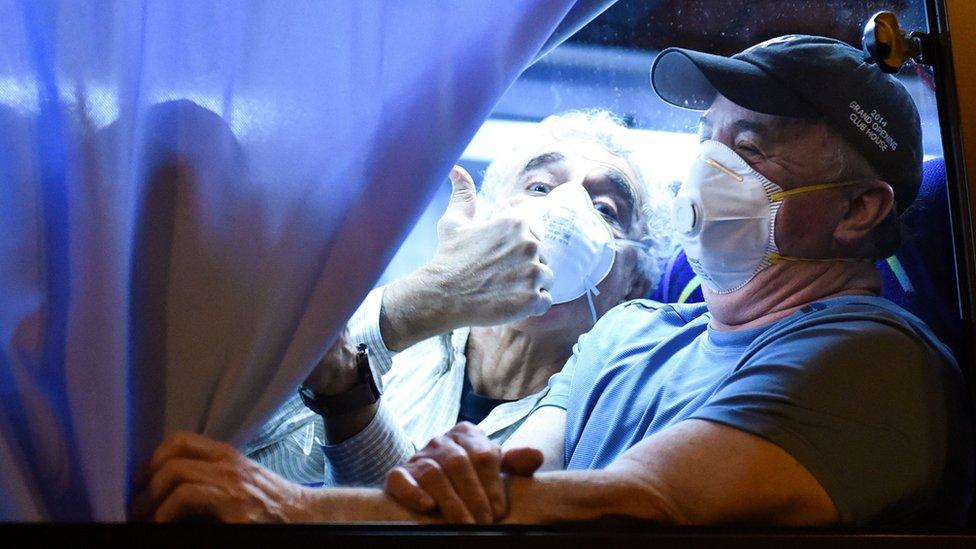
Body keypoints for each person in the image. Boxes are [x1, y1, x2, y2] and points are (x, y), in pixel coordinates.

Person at [136, 35, 973, 527]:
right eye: (709, 139)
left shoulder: (872, 358)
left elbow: (637, 502)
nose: (711, 166)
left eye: (749, 149)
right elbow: (486, 490)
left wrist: (290, 510)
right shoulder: (635, 331)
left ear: (859, 210)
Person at [242, 110, 673, 486]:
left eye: (605, 209)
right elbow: (243, 443)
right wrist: (423, 302)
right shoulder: (411, 349)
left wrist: (349, 396)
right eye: (540, 188)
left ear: (633, 285)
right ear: (488, 223)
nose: (565, 211)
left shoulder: (609, 418)